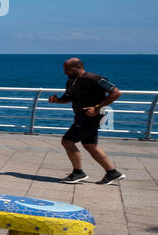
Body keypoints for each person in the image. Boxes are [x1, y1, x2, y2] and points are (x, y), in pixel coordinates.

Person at [48, 57, 125, 185]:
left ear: (78, 67)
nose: (65, 72)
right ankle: (112, 173)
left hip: (91, 117)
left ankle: (78, 173)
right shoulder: (71, 82)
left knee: (67, 141)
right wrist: (57, 100)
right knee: (90, 145)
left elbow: (116, 93)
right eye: (64, 70)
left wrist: (96, 108)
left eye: (67, 69)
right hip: (80, 116)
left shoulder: (95, 79)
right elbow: (67, 98)